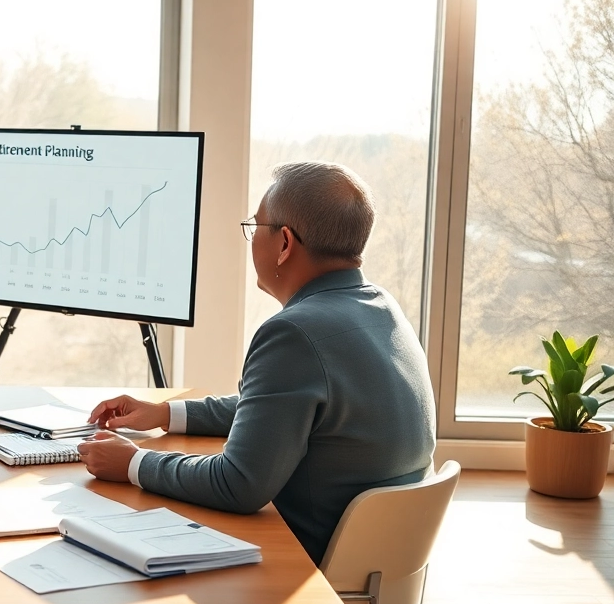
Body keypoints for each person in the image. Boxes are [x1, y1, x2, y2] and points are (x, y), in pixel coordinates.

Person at [77, 161, 435, 564]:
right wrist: (165, 413)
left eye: (255, 228)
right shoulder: (380, 308)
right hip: (375, 566)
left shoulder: (293, 333)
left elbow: (239, 485)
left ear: (284, 243)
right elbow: (277, 411)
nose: (251, 239)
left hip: (307, 570)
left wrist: (134, 463)